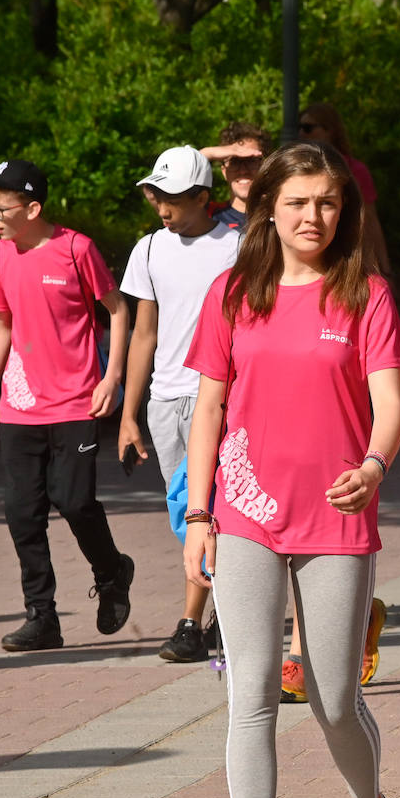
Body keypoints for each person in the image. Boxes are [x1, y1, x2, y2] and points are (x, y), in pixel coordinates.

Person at [182, 141, 400, 798]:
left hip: (336, 515)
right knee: (248, 694)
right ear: (268, 210)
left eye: (327, 202)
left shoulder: (365, 293)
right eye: (299, 202)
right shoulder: (234, 292)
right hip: (245, 510)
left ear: (342, 210)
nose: (314, 215)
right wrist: (200, 512)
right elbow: (210, 405)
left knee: (332, 697)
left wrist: (373, 465)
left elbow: (389, 404)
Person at [0, 159, 134, 653]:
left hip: (75, 402)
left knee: (75, 501)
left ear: (33, 207)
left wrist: (113, 377)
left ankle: (112, 572)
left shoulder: (75, 248)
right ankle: (42, 617)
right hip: (20, 406)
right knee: (22, 512)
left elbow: (119, 309)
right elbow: (2, 326)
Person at [118, 146, 241, 662]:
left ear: (201, 197)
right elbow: (143, 333)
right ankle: (221, 612)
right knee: (183, 512)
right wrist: (128, 414)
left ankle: (194, 623)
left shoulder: (239, 244)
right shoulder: (149, 250)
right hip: (164, 400)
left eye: (171, 198)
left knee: (204, 507)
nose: (161, 207)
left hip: (217, 394)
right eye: (155, 195)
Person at [297, 102, 390, 276]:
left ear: (329, 130)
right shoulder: (294, 171)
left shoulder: (356, 170)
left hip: (350, 258)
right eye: (299, 127)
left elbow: (371, 220)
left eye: (308, 128)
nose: (301, 133)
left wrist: (385, 268)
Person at [201, 122, 273, 230]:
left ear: (264, 166)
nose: (243, 170)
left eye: (251, 161)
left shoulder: (277, 213)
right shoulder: (209, 214)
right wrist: (209, 152)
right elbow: (175, 179)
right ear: (224, 171)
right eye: (235, 161)